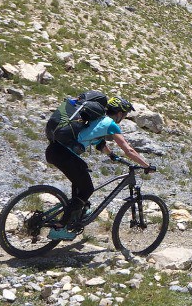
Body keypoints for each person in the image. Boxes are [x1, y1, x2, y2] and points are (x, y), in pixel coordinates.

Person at [45, 95, 152, 240]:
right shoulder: (110, 124)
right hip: (64, 154)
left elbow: (98, 142)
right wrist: (147, 165)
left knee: (81, 179)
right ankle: (59, 228)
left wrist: (111, 155)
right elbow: (129, 150)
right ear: (120, 113)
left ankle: (78, 213)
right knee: (87, 188)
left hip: (54, 150)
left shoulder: (95, 120)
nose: (123, 118)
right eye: (124, 115)